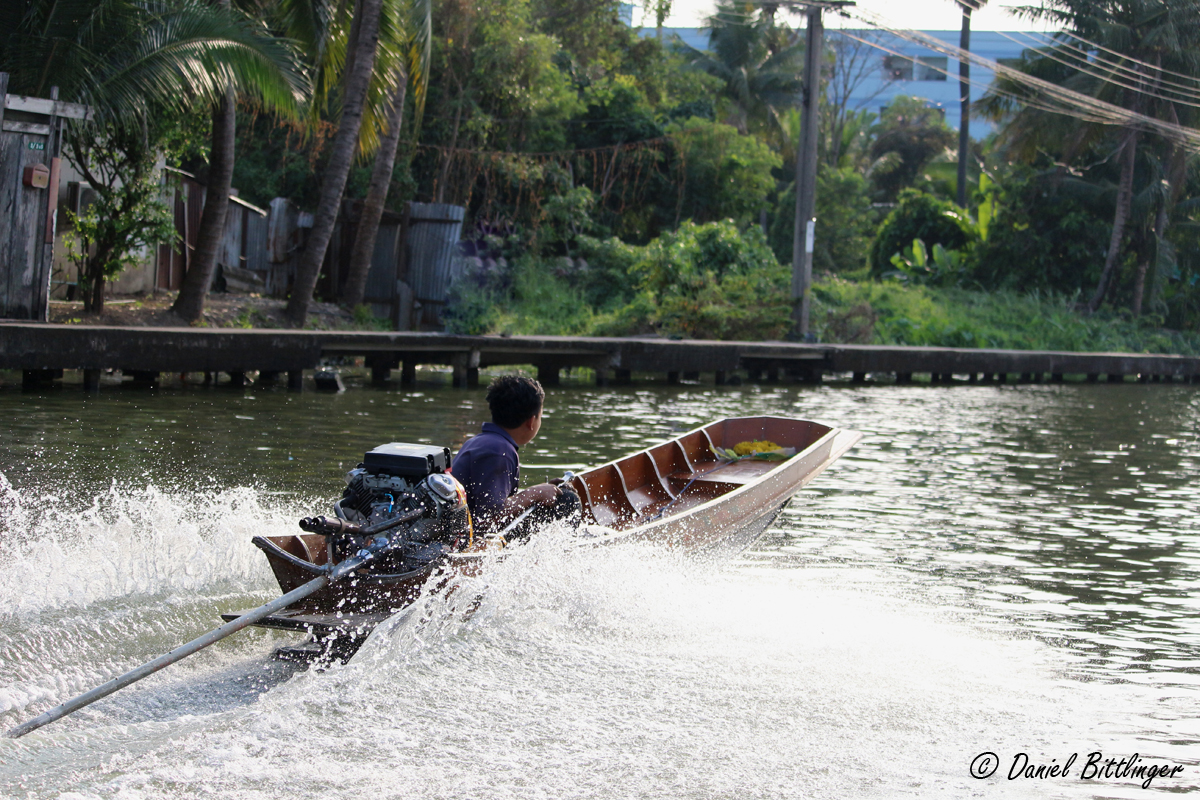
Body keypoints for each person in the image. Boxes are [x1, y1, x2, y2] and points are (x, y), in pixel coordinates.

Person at [451, 374, 564, 534]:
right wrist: (536, 492)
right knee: (567, 501)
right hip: (467, 540)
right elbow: (490, 516)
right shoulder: (499, 451)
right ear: (531, 422)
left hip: (465, 530)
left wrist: (542, 491)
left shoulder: (482, 442)